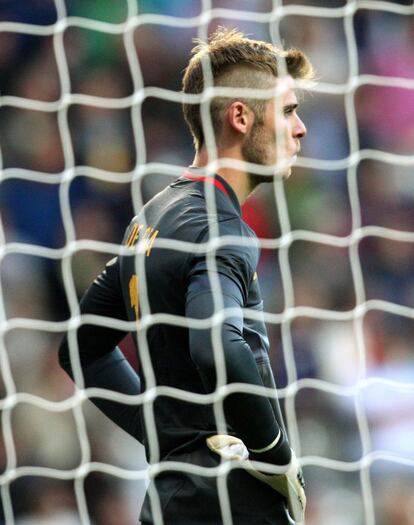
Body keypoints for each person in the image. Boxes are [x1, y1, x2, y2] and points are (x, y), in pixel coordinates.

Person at [59, 27, 314, 524]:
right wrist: (277, 457)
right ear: (241, 117)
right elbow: (218, 346)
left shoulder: (151, 217)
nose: (300, 127)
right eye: (287, 110)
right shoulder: (221, 227)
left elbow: (81, 347)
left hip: (171, 498)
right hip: (229, 503)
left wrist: (159, 430)